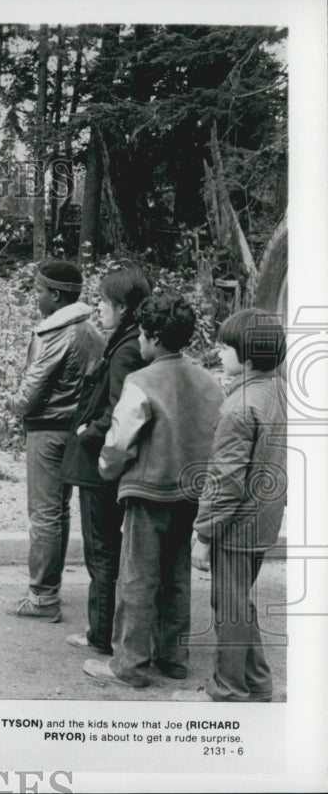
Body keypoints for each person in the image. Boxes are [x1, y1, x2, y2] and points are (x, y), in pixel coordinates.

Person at [83, 296, 223, 687]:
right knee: (176, 576)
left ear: (155, 338)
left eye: (143, 336)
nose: (139, 343)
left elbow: (120, 440)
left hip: (148, 492)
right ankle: (173, 657)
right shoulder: (209, 381)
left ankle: (128, 664)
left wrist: (107, 469)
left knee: (137, 577)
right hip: (191, 492)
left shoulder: (140, 381)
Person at [190, 309, 287, 702]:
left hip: (236, 523)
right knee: (238, 601)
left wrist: (203, 534)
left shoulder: (239, 407)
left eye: (225, 346)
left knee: (227, 606)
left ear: (246, 357)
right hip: (264, 517)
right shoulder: (276, 390)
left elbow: (225, 482)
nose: (218, 351)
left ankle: (228, 688)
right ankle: (258, 682)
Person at [6, 260, 104, 622]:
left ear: (57, 295)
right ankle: (48, 590)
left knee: (45, 514)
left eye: (40, 291)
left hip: (46, 430)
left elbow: (31, 392)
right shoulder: (92, 331)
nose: (37, 298)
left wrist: (11, 401)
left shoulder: (55, 332)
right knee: (59, 513)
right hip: (77, 430)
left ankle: (44, 597)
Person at [60, 267, 152, 653]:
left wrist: (86, 434)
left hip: (101, 467)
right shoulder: (128, 342)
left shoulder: (127, 348)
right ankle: (106, 631)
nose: (98, 307)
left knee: (101, 553)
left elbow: (121, 411)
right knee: (107, 552)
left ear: (124, 307)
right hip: (105, 465)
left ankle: (101, 636)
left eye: (105, 302)